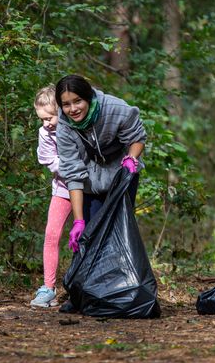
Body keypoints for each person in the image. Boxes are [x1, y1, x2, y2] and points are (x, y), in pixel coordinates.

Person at [54, 74, 146, 253]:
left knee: (118, 229)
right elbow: (72, 173)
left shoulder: (114, 108)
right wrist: (78, 221)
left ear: (87, 97)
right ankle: (94, 278)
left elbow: (137, 136)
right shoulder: (64, 128)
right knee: (91, 233)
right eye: (66, 104)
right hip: (91, 181)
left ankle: (121, 277)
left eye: (77, 101)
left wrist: (131, 159)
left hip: (121, 173)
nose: (73, 109)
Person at [30, 87, 72, 308]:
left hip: (89, 188)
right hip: (63, 187)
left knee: (86, 236)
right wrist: (70, 168)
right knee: (51, 234)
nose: (46, 123)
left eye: (50, 117)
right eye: (42, 119)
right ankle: (48, 288)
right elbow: (48, 159)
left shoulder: (74, 126)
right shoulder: (45, 132)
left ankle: (84, 285)